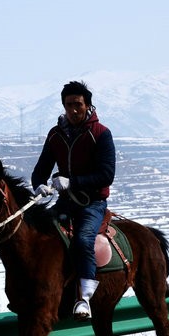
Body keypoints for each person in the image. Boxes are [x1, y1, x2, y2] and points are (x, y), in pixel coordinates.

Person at [31, 80, 116, 321]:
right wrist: (38, 184)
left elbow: (106, 175)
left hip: (92, 203)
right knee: (40, 235)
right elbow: (41, 168)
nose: (73, 109)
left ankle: (84, 299)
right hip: (65, 202)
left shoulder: (101, 134)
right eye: (69, 105)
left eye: (78, 104)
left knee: (82, 240)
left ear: (88, 105)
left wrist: (73, 181)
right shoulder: (55, 134)